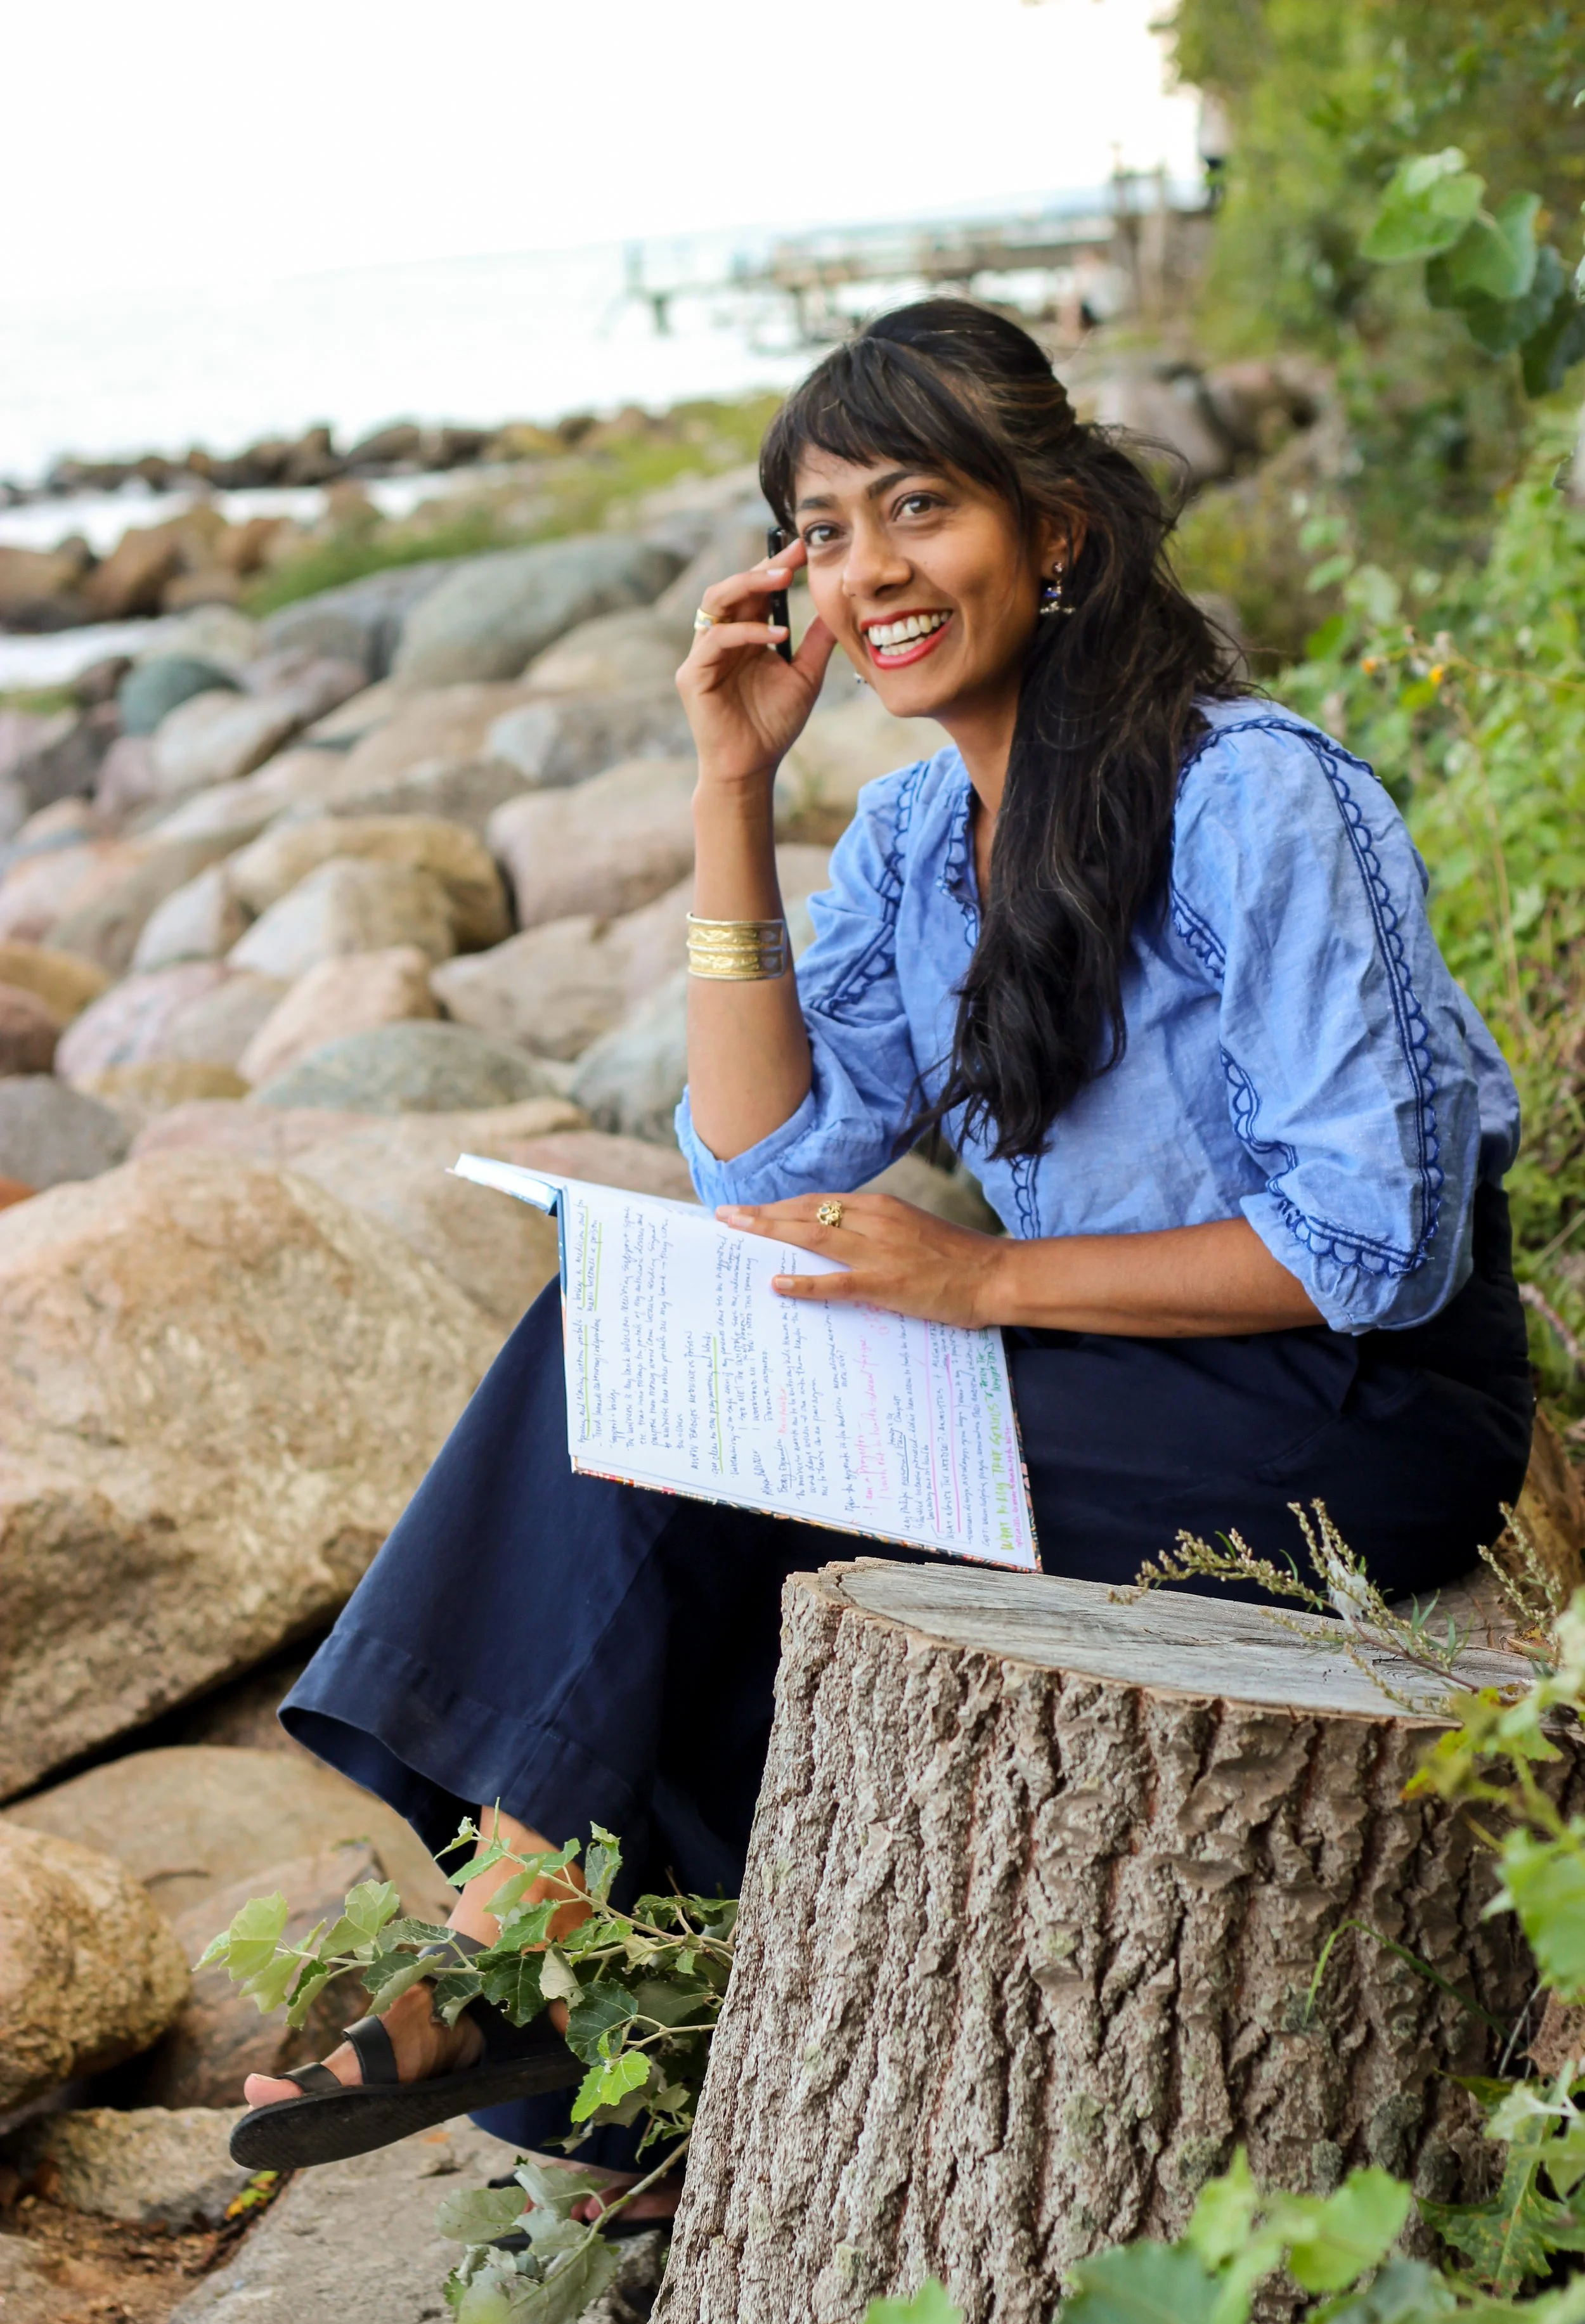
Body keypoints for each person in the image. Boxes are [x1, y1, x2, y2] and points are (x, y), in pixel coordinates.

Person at [232, 299, 1530, 2182]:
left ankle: (520, 1961)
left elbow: (1372, 1251)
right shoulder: (930, 835)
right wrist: (729, 791)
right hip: (1125, 1365)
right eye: (824, 530)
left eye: (917, 507)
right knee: (631, 1327)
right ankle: (523, 1936)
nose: (869, 573)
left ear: (1056, 527)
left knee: (736, 1467)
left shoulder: (1256, 796)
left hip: (1348, 1408)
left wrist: (981, 1281)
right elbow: (758, 1162)